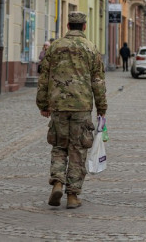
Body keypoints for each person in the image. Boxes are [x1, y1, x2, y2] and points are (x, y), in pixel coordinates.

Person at [36, 12, 107, 209]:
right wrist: (102, 107)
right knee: (78, 149)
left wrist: (43, 105)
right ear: (84, 26)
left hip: (58, 105)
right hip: (81, 107)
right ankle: (73, 196)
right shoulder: (91, 48)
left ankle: (57, 182)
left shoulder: (55, 47)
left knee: (59, 146)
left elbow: (44, 79)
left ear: (68, 25)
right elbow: (98, 81)